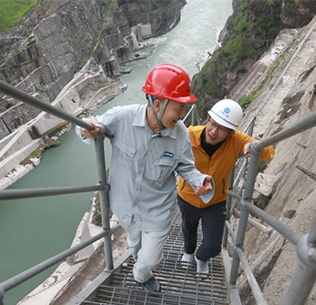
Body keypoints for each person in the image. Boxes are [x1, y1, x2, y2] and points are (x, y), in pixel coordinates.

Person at [77, 63, 215, 293]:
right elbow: (90, 125)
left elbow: (185, 166)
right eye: (179, 108)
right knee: (135, 246)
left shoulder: (179, 135)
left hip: (157, 209)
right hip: (125, 206)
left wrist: (199, 179)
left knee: (150, 259)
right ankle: (142, 269)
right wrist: (87, 130)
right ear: (158, 104)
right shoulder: (123, 118)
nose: (182, 115)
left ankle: (141, 276)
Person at [177, 99, 275, 277]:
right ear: (207, 119)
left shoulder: (236, 141)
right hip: (188, 195)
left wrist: (252, 147)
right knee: (188, 228)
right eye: (212, 124)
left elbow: (269, 150)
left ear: (231, 132)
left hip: (215, 201)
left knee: (213, 246)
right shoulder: (189, 135)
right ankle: (188, 253)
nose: (214, 132)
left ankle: (201, 257)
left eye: (222, 128)